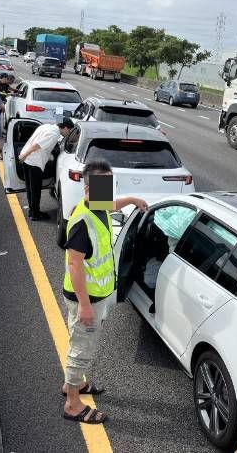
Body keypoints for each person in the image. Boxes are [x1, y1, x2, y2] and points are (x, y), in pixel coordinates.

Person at [61, 160, 148, 425]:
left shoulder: (96, 205)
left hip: (96, 295)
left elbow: (111, 205)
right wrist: (86, 306)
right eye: (103, 187)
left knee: (81, 343)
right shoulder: (81, 222)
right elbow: (75, 265)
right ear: (88, 190)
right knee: (81, 349)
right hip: (85, 299)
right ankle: (73, 404)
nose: (108, 193)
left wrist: (132, 199)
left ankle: (72, 385)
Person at [18, 119, 74, 220]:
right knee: (35, 189)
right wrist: (24, 155)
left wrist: (24, 155)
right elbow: (37, 145)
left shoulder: (46, 126)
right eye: (69, 131)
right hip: (34, 161)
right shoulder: (54, 134)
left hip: (27, 159)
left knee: (30, 188)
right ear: (65, 128)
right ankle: (35, 214)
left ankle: (32, 211)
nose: (68, 134)